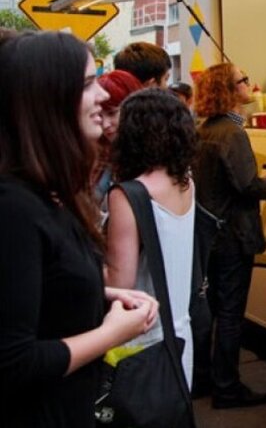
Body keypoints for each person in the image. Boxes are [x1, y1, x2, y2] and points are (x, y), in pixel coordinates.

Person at [0, 31, 158, 427]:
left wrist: (102, 293)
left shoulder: (49, 194)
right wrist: (111, 334)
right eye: (89, 84)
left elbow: (35, 288)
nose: (103, 96)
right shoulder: (14, 207)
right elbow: (12, 362)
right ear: (48, 100)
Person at [193, 63, 266, 409]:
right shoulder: (232, 133)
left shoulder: (205, 130)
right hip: (233, 235)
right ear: (229, 90)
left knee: (211, 311)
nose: (250, 83)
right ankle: (227, 387)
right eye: (243, 80)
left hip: (210, 235)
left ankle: (202, 380)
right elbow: (246, 184)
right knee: (231, 314)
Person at [105, 88, 198, 387]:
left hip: (141, 340)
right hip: (181, 333)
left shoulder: (129, 194)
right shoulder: (185, 180)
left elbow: (120, 282)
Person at [93, 69, 143, 213]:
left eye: (112, 113)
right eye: (99, 115)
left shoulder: (153, 159)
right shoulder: (98, 153)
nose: (105, 124)